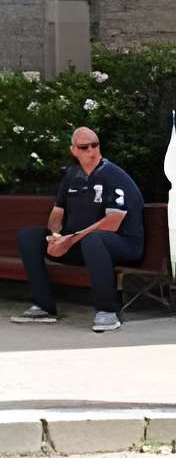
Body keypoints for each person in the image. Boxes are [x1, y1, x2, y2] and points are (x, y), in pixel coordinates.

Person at [14, 126, 143, 332]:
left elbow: (112, 222)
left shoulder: (113, 176)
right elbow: (58, 212)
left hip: (121, 245)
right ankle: (44, 306)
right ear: (73, 150)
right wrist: (55, 237)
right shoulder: (72, 176)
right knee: (29, 236)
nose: (91, 151)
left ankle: (107, 312)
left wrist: (69, 240)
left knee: (94, 239)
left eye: (95, 145)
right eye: (84, 147)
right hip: (80, 245)